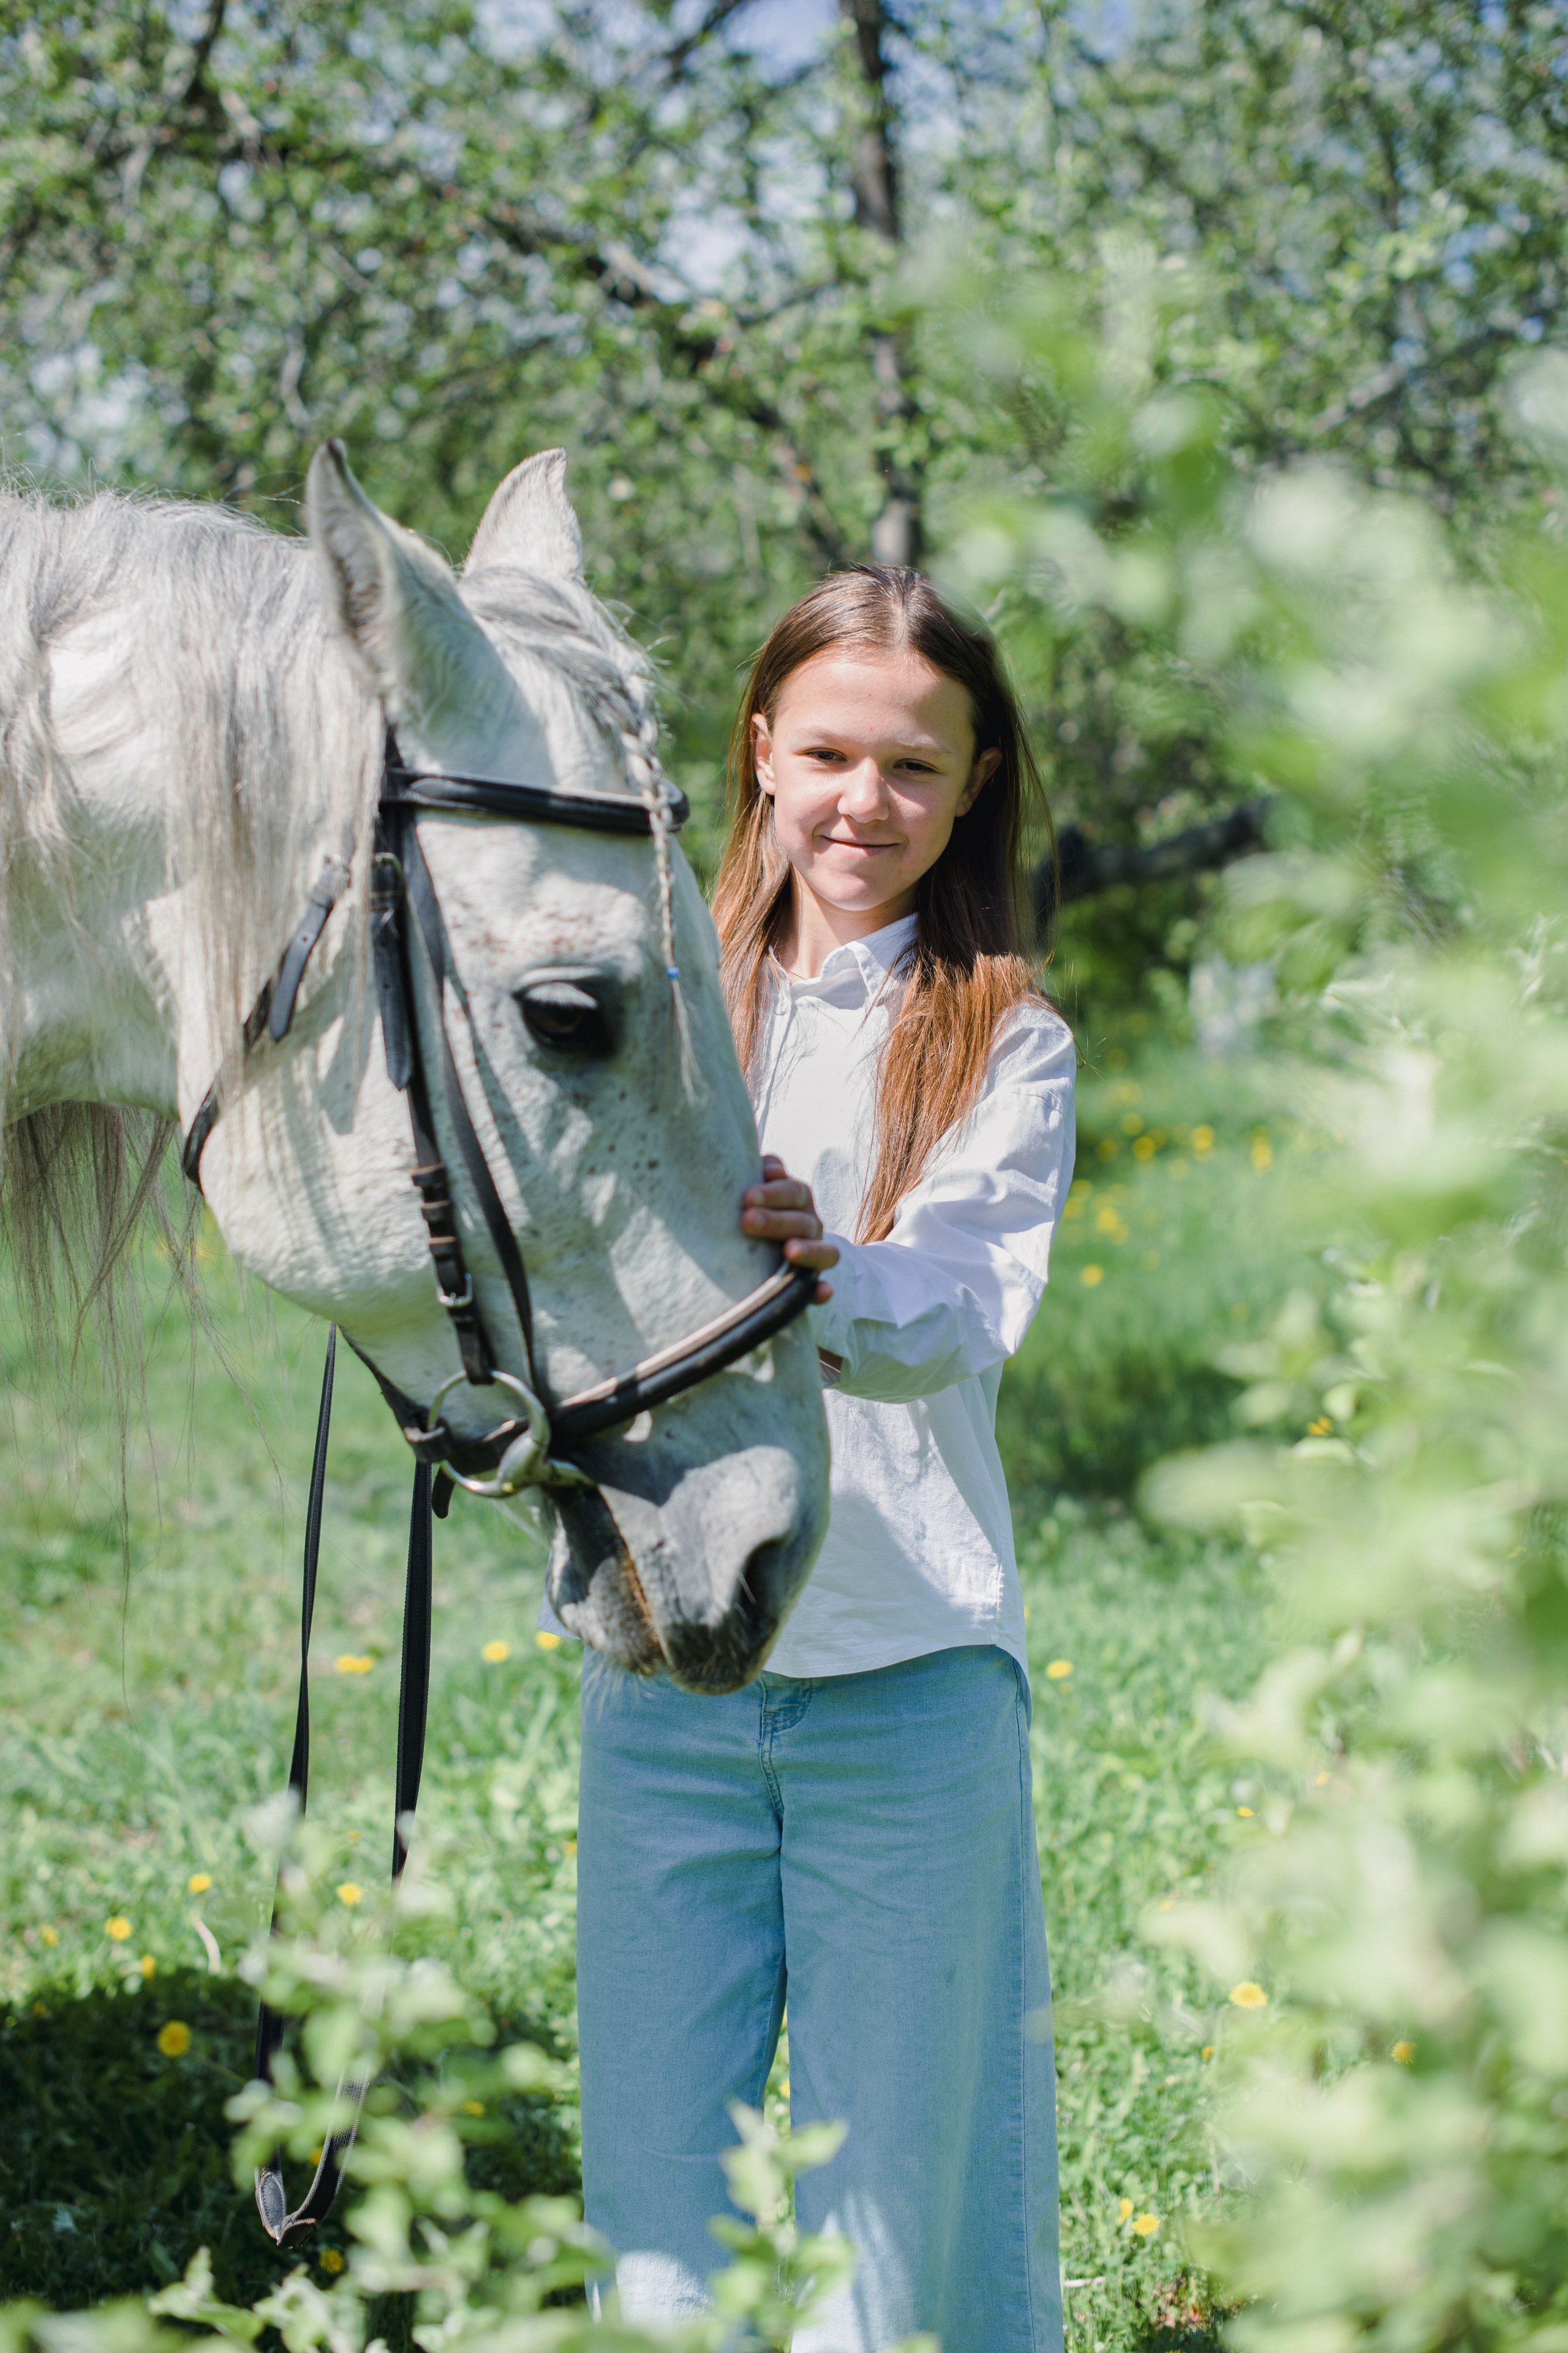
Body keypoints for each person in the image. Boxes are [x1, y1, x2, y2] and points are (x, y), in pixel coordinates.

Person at [575, 566, 1076, 2352]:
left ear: (977, 782)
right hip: (672, 1676)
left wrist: (821, 1269)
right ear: (762, 753)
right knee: (655, 2227)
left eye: (916, 768)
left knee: (896, 2243)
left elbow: (954, 1307)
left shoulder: (1004, 1032)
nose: (867, 803)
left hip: (911, 1683)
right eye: (832, 754)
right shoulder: (650, 996)